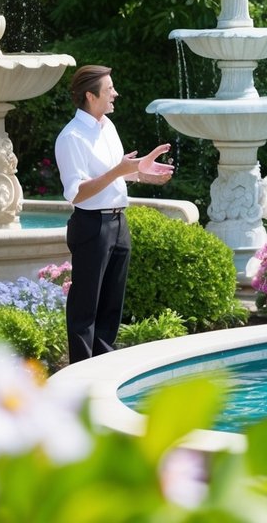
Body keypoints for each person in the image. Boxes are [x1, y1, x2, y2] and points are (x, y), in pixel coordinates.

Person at [55, 65, 174, 363]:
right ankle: (82, 376)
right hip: (92, 225)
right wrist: (119, 170)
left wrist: (142, 171)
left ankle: (103, 369)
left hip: (119, 223)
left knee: (111, 306)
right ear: (90, 96)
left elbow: (116, 175)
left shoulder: (107, 126)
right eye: (109, 89)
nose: (115, 94)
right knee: (85, 309)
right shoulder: (71, 138)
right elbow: (77, 192)